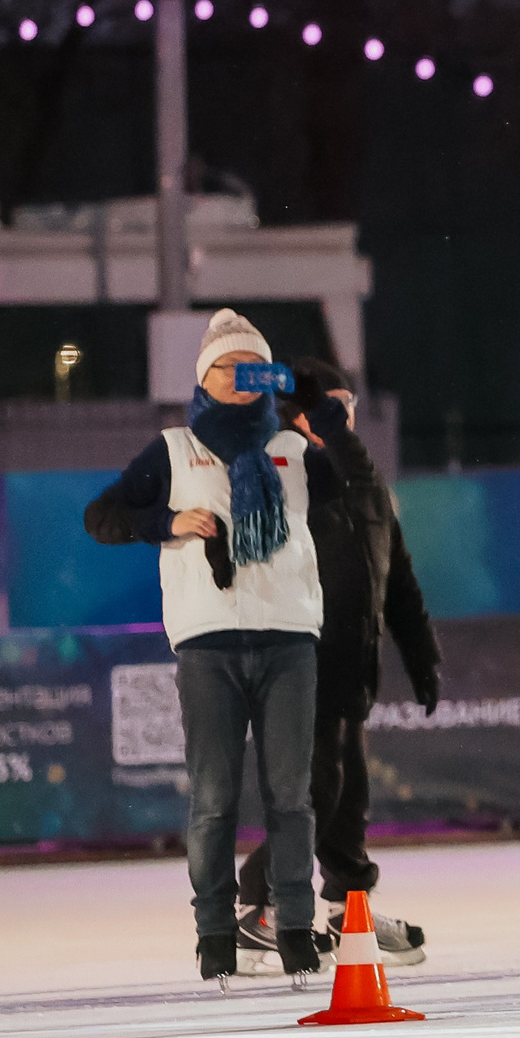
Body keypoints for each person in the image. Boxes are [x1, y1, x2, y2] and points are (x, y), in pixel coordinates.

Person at [82, 309, 335, 985]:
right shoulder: (175, 449)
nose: (244, 378)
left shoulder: (294, 447)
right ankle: (215, 933)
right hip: (207, 642)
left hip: (288, 638)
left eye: (256, 368)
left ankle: (295, 928)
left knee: (291, 795)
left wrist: (324, 424)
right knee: (216, 798)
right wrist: (168, 521)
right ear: (204, 377)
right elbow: (101, 516)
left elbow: (353, 496)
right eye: (231, 367)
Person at [231, 356, 439, 969]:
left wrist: (421, 655)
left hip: (352, 663)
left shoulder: (362, 482)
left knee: (349, 795)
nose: (344, 416)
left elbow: (397, 577)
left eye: (348, 405)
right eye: (333, 405)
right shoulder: (282, 470)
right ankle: (259, 902)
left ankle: (351, 909)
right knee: (316, 787)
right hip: (297, 660)